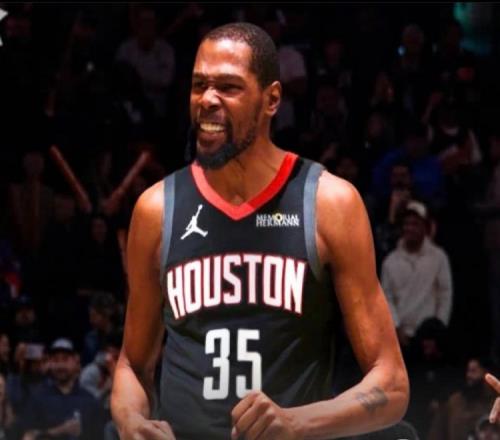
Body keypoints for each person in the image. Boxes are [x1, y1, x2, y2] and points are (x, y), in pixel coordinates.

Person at [111, 22, 409, 439]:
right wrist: (130, 421)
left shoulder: (329, 204)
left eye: (227, 87)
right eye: (199, 85)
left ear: (271, 100)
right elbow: (132, 365)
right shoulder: (156, 209)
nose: (207, 99)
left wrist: (296, 422)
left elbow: (391, 384)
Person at [380, 200, 453, 348]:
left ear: (425, 227)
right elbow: (387, 298)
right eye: (406, 224)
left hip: (430, 338)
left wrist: (438, 330)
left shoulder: (439, 257)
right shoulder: (390, 262)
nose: (410, 228)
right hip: (399, 337)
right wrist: (396, 328)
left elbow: (445, 295)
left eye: (415, 224)